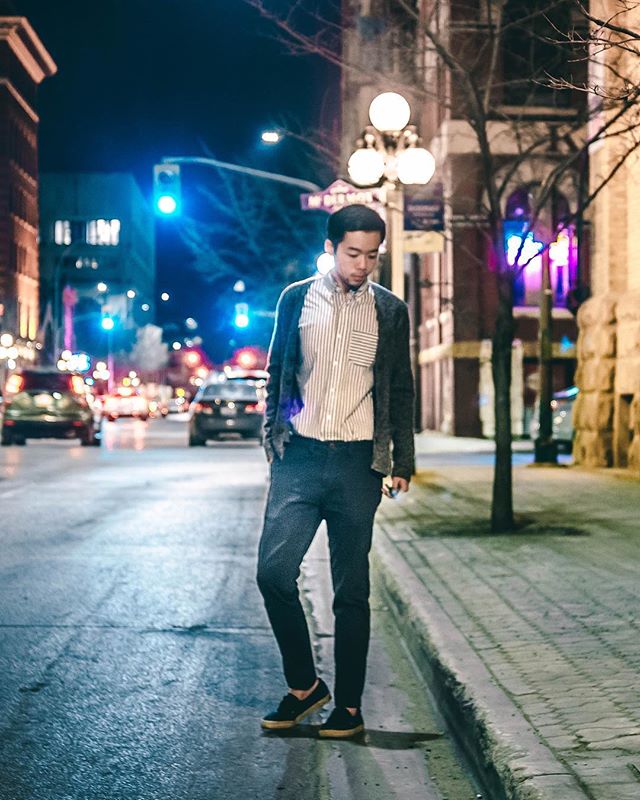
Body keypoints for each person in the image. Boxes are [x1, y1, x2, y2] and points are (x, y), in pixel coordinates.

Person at [256, 204, 414, 738]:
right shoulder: (295, 299)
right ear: (330, 248)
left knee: (351, 592)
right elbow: (279, 370)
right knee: (274, 573)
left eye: (372, 255)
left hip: (357, 462)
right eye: (353, 253)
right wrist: (274, 435)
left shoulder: (390, 311)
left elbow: (399, 387)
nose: (362, 264)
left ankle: (347, 705)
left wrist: (402, 460)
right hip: (299, 456)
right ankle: (305, 687)